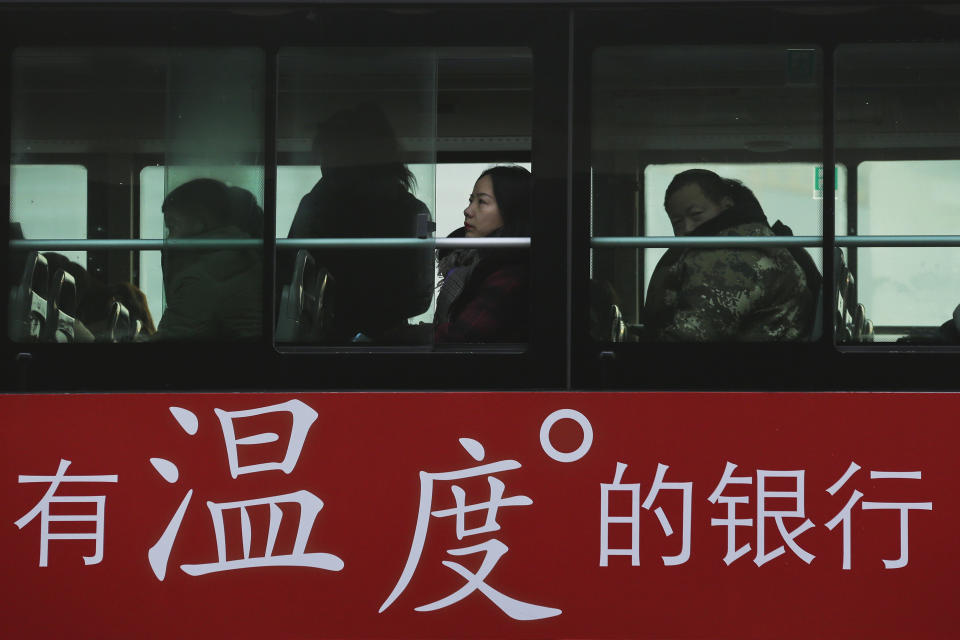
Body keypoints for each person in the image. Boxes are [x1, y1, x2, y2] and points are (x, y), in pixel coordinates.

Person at [285, 103, 433, 342]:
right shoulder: (416, 212)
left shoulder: (416, 214)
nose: (325, 168)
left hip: (335, 334)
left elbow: (421, 295)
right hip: (373, 334)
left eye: (332, 158)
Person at [644, 169, 814, 341]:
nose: (687, 228)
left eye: (696, 215)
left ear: (726, 206)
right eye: (677, 222)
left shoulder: (732, 256)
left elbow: (695, 335)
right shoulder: (749, 239)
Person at [153, 178, 262, 340]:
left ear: (200, 223)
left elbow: (171, 337)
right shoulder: (237, 254)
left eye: (173, 226)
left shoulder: (204, 275)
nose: (169, 240)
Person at [434, 165, 531, 343]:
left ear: (511, 210)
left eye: (482, 202)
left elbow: (461, 336)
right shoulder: (470, 260)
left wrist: (421, 336)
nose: (468, 211)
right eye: (471, 201)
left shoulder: (511, 273)